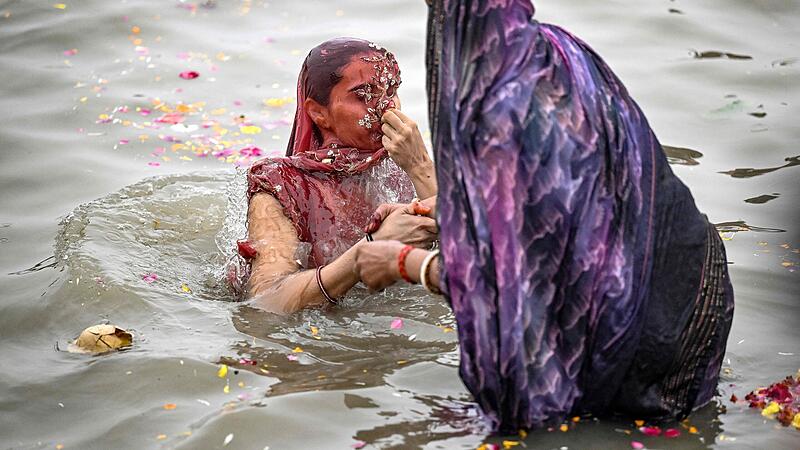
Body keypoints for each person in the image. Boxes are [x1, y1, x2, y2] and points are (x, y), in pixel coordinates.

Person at [354, 0, 734, 433]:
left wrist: (403, 263)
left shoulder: (496, 108)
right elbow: (577, 196)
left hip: (631, 334)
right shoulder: (557, 48)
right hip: (690, 288)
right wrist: (461, 210)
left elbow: (505, 289)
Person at [240, 37, 438, 314]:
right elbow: (267, 302)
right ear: (319, 113)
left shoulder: (403, 166)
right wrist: (367, 251)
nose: (386, 108)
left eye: (390, 92)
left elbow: (478, 260)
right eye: (363, 95)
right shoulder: (282, 185)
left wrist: (421, 168)